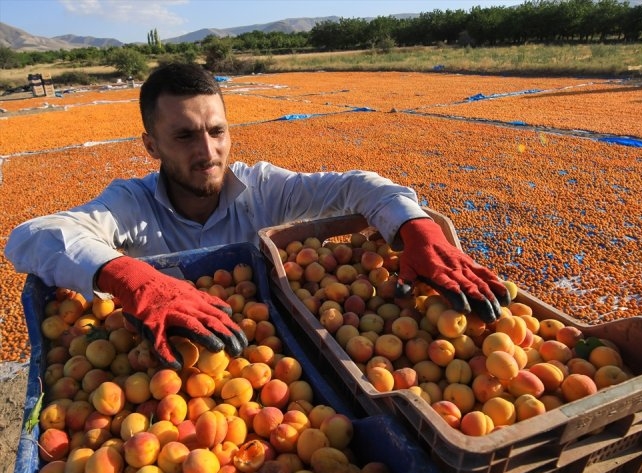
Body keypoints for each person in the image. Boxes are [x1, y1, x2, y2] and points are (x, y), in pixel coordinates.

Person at [5, 62, 510, 369]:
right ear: (151, 144)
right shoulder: (130, 204)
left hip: (272, 350)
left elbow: (359, 186)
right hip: (164, 363)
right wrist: (130, 277)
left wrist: (415, 227)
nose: (208, 151)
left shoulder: (264, 188)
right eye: (184, 136)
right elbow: (32, 236)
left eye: (217, 131)